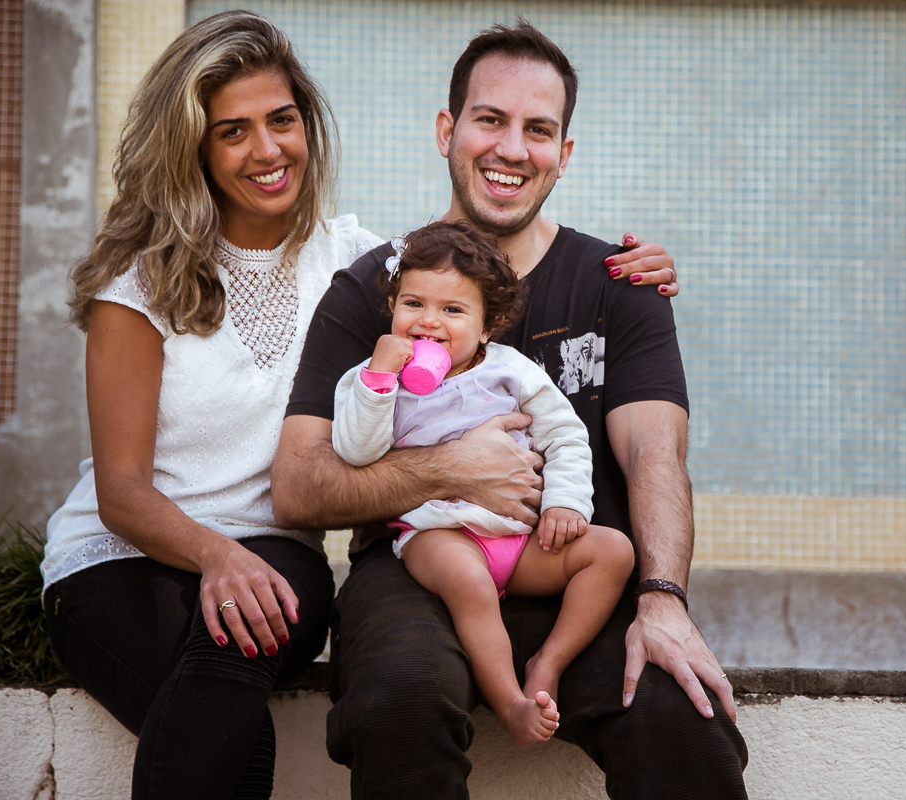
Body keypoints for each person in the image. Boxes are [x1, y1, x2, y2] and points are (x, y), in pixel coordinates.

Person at [41, 11, 673, 798]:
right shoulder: (140, 286)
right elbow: (120, 490)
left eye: (282, 121)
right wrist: (216, 555)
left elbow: (461, 271)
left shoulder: (354, 262)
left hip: (277, 555)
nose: (267, 149)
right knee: (233, 737)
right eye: (233, 131)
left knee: (227, 695)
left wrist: (630, 269)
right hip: (128, 559)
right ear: (193, 147)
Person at [273, 21, 749, 800]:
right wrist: (448, 470)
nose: (512, 149)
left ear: (564, 152)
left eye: (539, 129)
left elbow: (654, 455)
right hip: (418, 569)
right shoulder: (376, 292)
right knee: (399, 701)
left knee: (680, 719)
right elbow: (297, 487)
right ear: (447, 131)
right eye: (490, 119)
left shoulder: (620, 285)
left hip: (571, 567)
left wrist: (662, 599)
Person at [331, 219, 635, 748]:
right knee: (470, 585)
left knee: (613, 552)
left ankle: (549, 662)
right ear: (393, 308)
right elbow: (356, 452)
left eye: (452, 310)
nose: (429, 321)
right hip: (439, 535)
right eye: (413, 304)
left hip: (518, 541)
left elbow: (565, 435)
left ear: (487, 326)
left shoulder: (510, 370)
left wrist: (565, 503)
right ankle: (510, 701)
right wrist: (378, 380)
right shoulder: (372, 379)